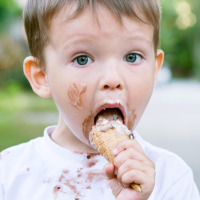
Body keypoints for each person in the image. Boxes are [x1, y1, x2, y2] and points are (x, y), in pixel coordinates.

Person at [0, 0, 199, 199]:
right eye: (82, 59)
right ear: (42, 76)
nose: (112, 79)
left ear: (154, 70)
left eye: (132, 57)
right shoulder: (9, 175)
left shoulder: (171, 179)